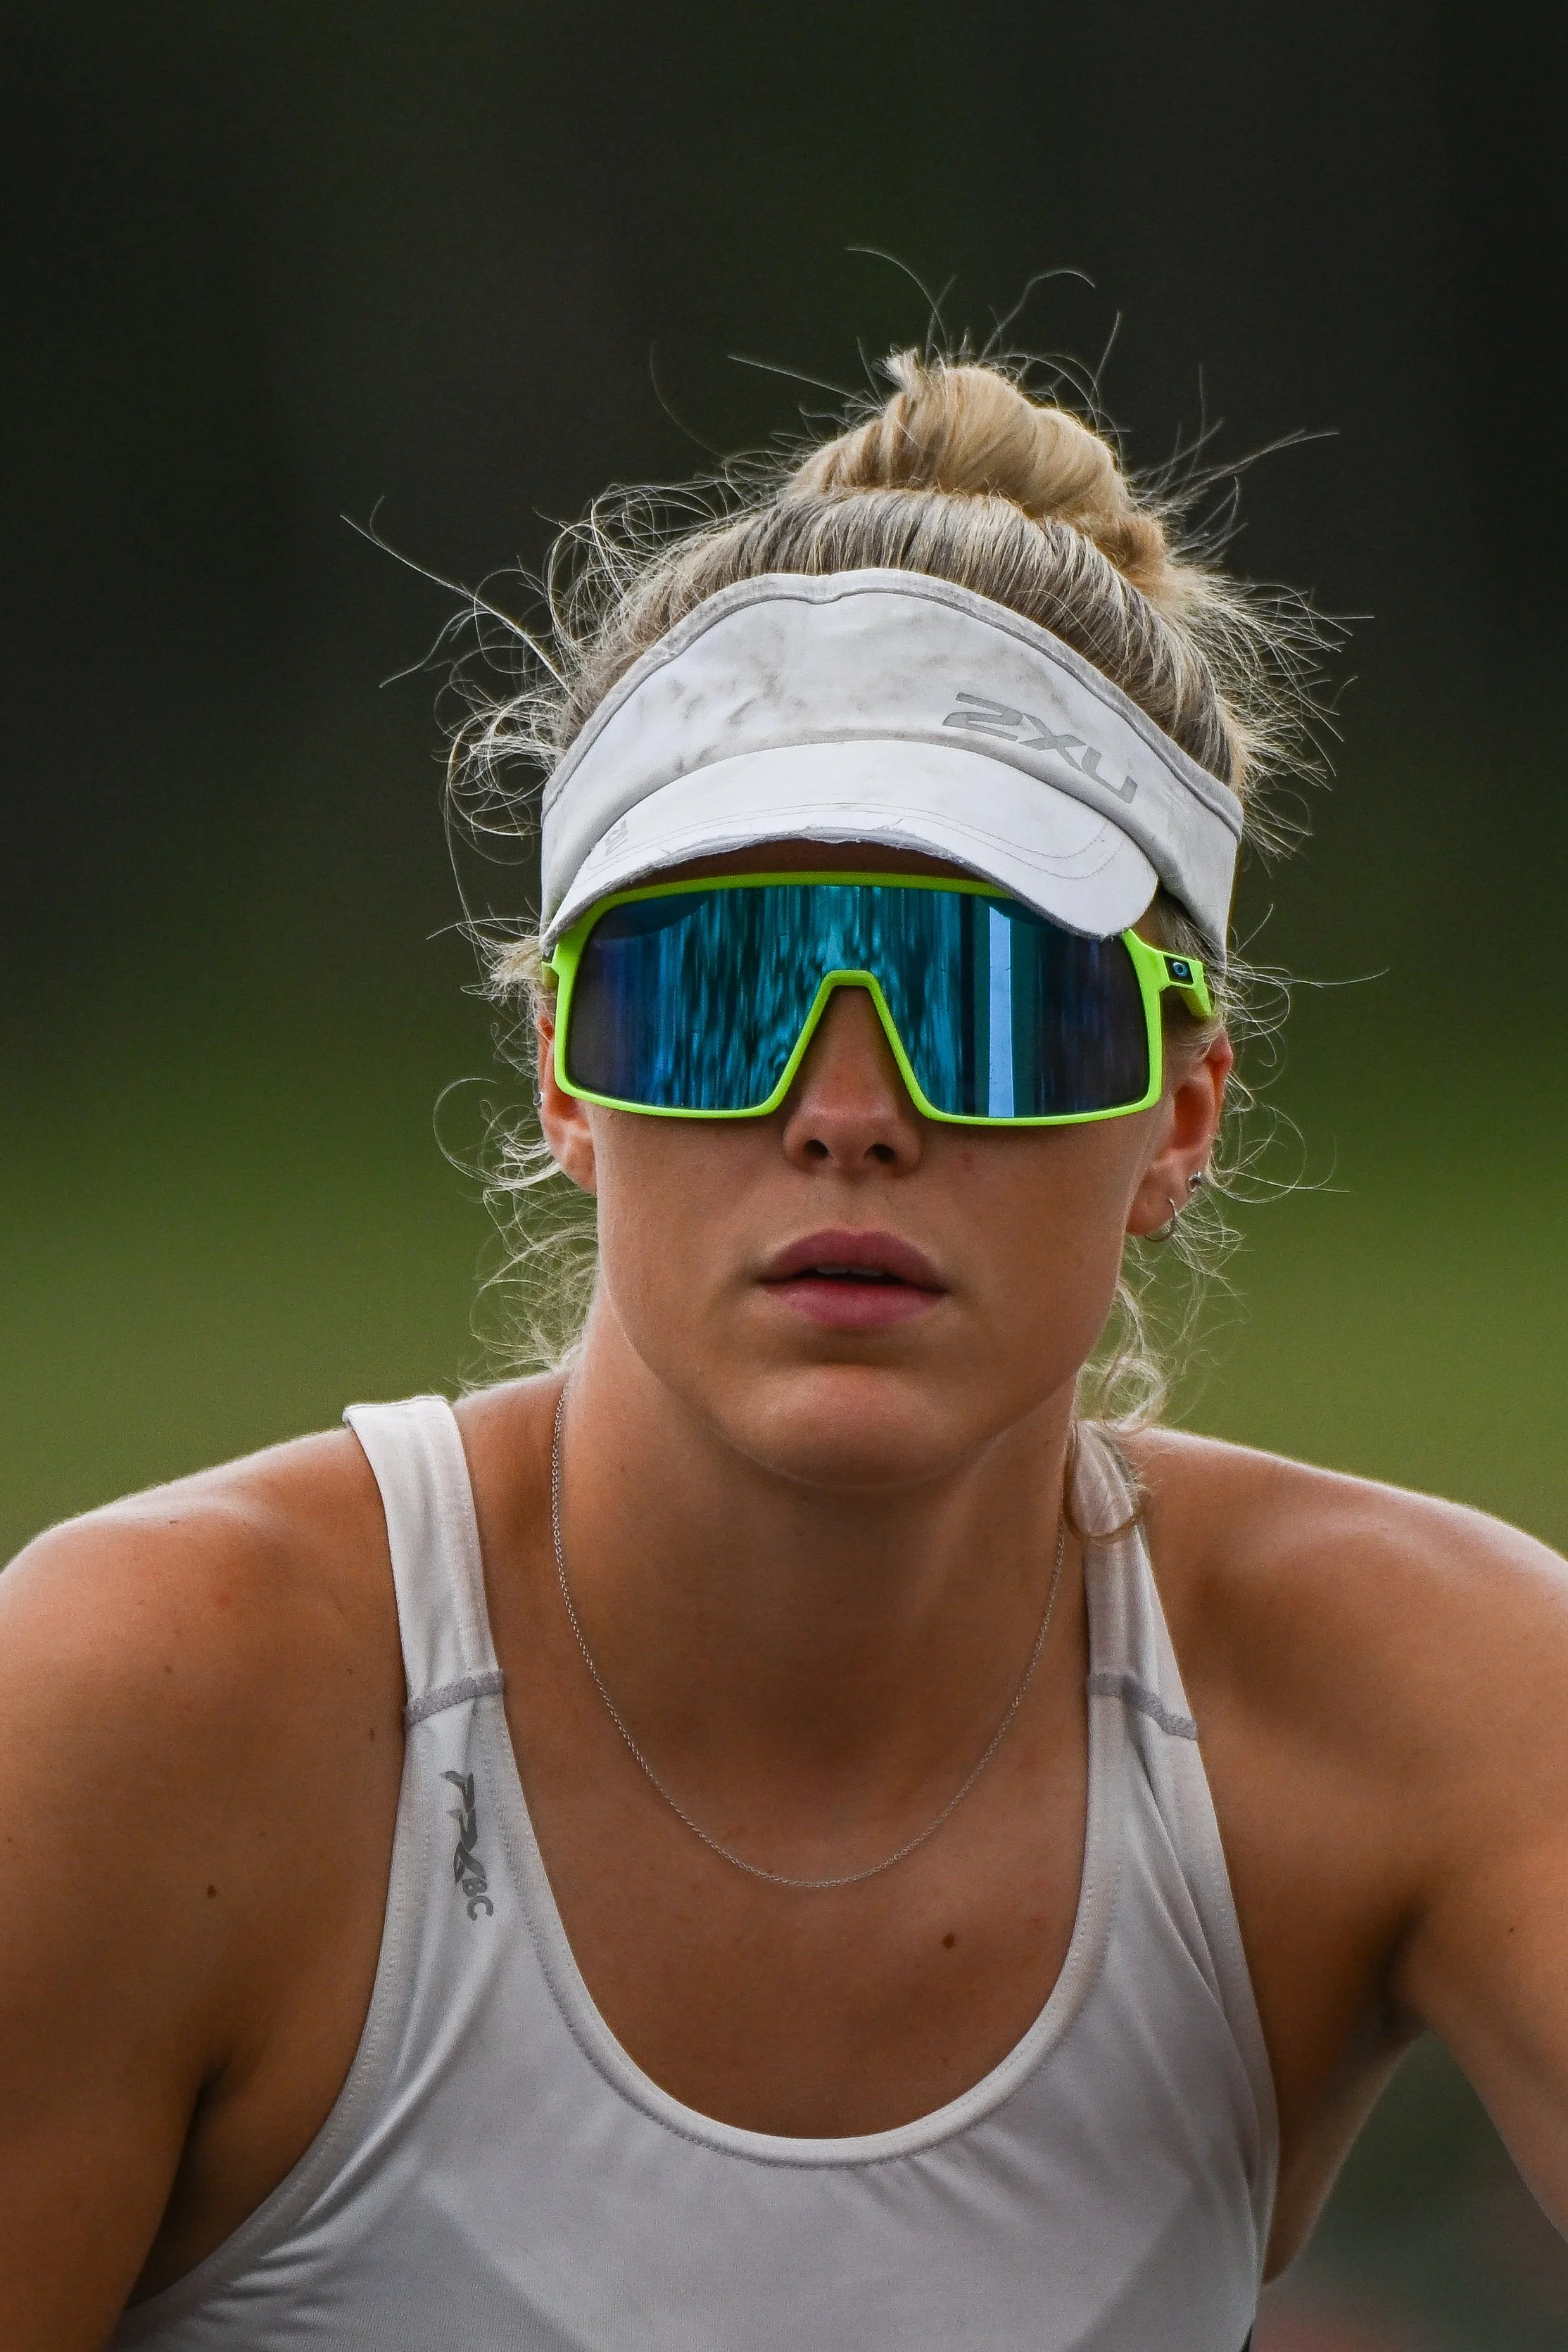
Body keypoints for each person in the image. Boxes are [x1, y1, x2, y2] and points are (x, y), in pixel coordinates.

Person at [3, 350, 1565, 2352]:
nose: (847, 1113)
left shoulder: (1433, 1698)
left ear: (1179, 1112)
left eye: (983, 1000)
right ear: (565, 1076)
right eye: (720, 991)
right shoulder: (139, 1702)